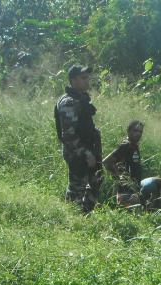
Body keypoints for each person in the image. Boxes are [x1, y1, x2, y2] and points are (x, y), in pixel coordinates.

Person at [54, 64, 102, 212]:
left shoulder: (81, 99)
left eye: (87, 77)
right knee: (77, 189)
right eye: (83, 78)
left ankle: (84, 214)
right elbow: (68, 136)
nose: (87, 81)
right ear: (73, 80)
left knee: (97, 180)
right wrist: (86, 153)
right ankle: (70, 219)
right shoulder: (68, 102)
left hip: (89, 149)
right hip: (77, 152)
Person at [103, 120, 161, 209]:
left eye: (140, 131)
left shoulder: (134, 146)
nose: (138, 134)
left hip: (136, 188)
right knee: (140, 213)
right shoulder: (126, 145)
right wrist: (118, 177)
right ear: (128, 131)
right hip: (126, 193)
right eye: (135, 131)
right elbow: (106, 162)